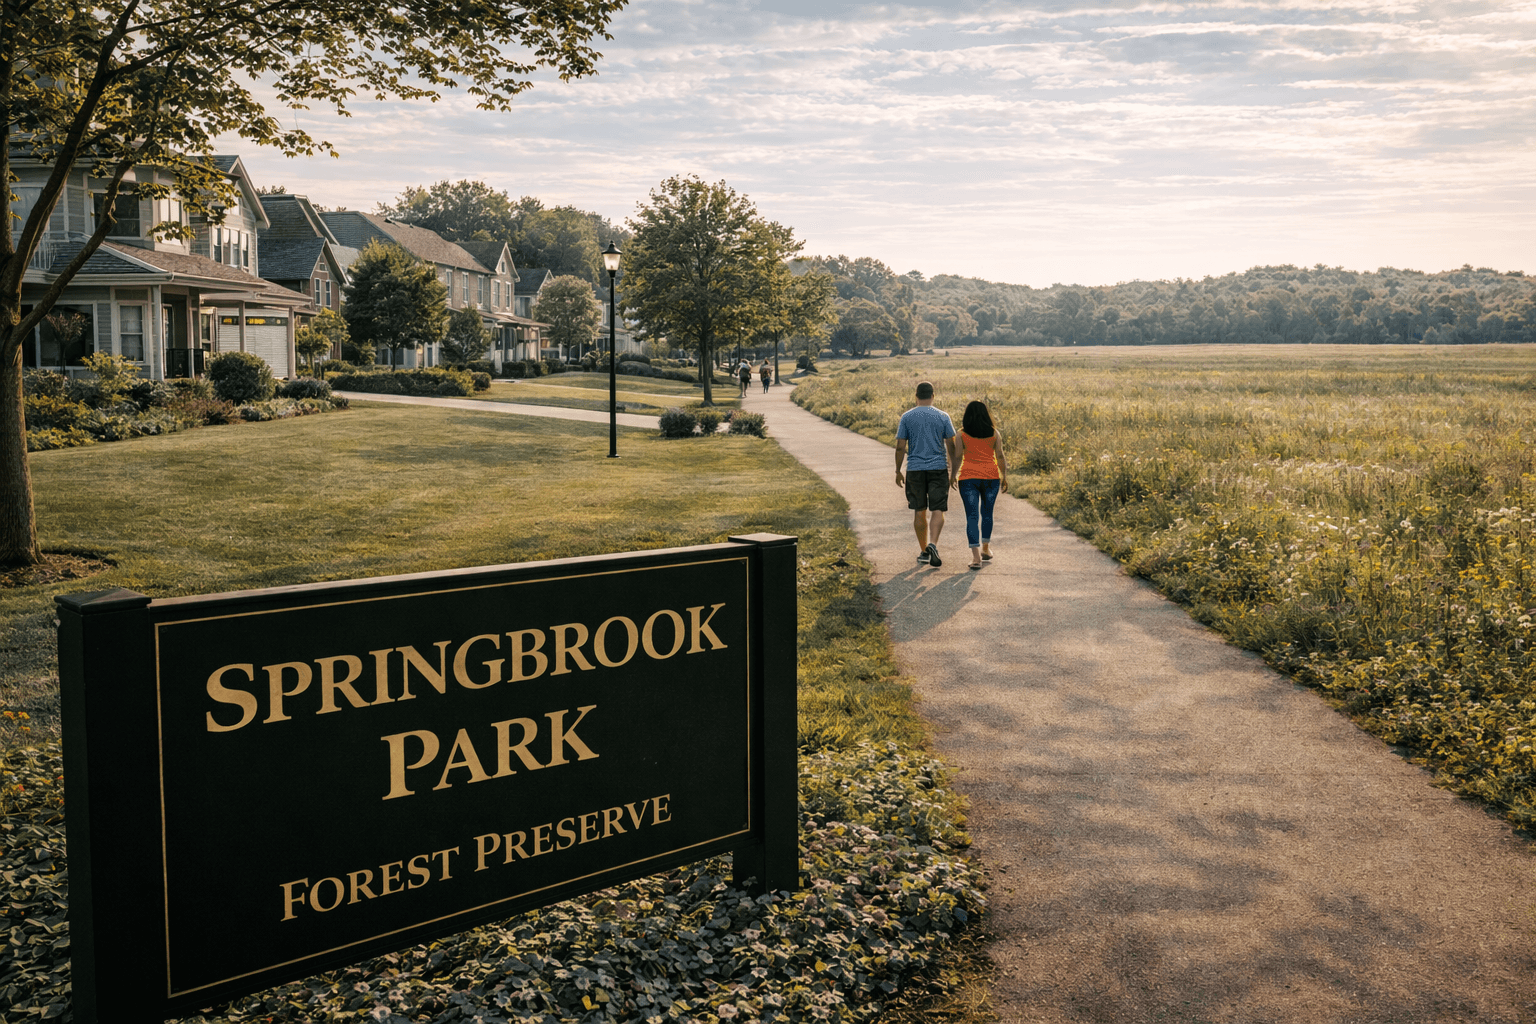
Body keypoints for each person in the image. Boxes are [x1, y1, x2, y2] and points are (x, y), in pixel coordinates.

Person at [895, 381, 960, 567]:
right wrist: (952, 473)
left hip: (915, 469)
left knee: (919, 510)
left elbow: (900, 447)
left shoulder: (907, 417)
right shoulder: (943, 416)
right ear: (933, 396)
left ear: (916, 396)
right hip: (938, 468)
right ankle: (933, 544)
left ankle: (924, 551)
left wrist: (898, 470)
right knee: (938, 508)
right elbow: (951, 446)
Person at [950, 400, 1009, 569]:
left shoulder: (961, 434)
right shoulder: (994, 433)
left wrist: (952, 475)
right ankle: (986, 548)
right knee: (987, 513)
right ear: (986, 414)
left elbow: (958, 456)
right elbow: (1000, 456)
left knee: (972, 516)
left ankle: (976, 558)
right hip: (991, 478)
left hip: (968, 478)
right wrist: (1004, 476)